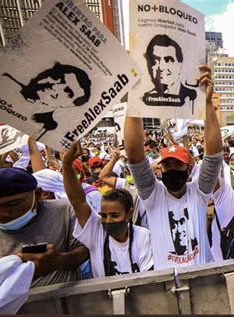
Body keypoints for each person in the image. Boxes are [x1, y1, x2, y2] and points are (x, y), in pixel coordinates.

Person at [125, 65, 222, 269]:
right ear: (159, 170)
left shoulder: (199, 192)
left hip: (205, 287)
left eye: (178, 164)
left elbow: (213, 156)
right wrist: (134, 97)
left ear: (188, 171)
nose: (171, 169)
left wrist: (206, 104)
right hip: (167, 290)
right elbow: (134, 155)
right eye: (167, 165)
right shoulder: (153, 196)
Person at [62, 142, 153, 277]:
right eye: (104, 216)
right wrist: (67, 164)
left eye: (115, 215)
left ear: (129, 213)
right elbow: (78, 201)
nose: (108, 221)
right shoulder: (96, 232)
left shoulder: (143, 236)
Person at [0, 167, 88, 287]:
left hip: (67, 300)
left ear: (37, 194)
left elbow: (84, 250)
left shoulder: (64, 211)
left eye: (12, 204)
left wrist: (60, 260)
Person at [3, 63, 91, 138]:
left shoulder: (43, 126)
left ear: (68, 105)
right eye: (58, 78)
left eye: (68, 92)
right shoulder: (6, 77)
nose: (56, 86)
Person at [143, 34, 197, 107]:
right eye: (155, 60)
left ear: (180, 65)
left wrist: (208, 103)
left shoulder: (192, 97)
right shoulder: (144, 99)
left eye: (168, 60)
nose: (161, 67)